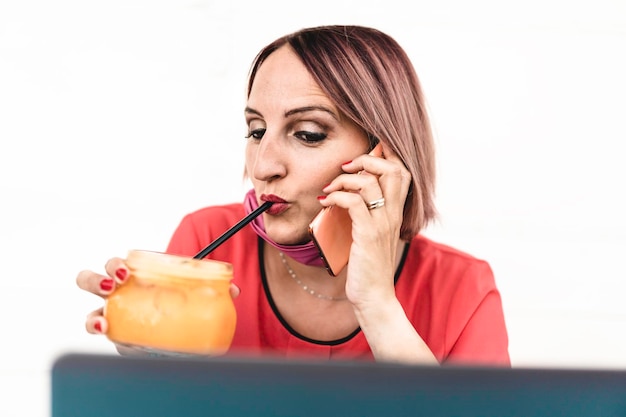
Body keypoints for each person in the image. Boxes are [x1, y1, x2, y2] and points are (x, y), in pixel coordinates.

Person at [76, 25, 510, 366]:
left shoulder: (462, 289)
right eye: (256, 131)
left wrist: (376, 302)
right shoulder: (206, 239)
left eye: (307, 133)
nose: (263, 166)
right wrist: (149, 357)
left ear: (384, 156)